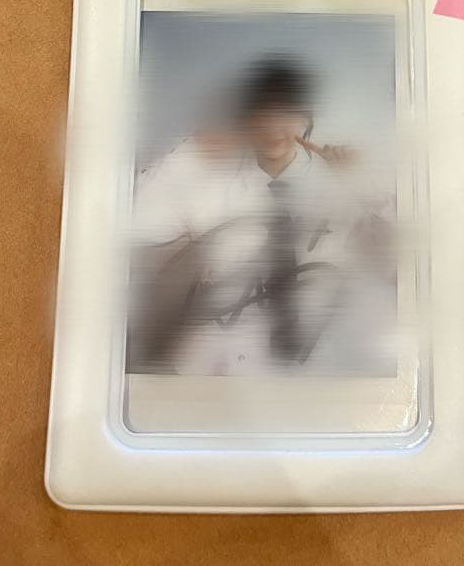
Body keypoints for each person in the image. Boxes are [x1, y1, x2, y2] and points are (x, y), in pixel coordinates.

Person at [128, 58, 396, 376]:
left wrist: (364, 182)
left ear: (305, 120)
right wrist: (192, 151)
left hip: (313, 373)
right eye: (261, 113)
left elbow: (397, 265)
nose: (273, 125)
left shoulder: (340, 190)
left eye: (286, 112)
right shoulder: (211, 186)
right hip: (214, 369)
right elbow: (136, 223)